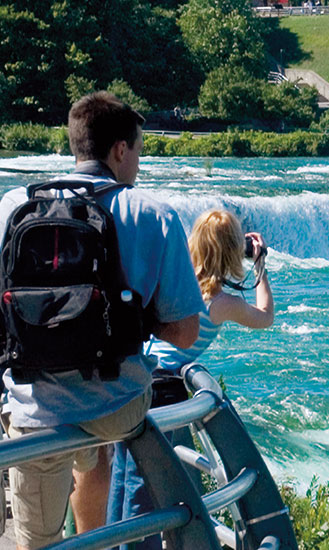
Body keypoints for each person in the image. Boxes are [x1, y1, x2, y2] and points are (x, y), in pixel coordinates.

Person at [0, 92, 203, 549]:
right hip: (117, 405)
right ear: (118, 150)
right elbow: (186, 332)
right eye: (138, 152)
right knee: (110, 435)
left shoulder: (15, 205)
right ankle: (100, 534)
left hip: (35, 408)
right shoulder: (151, 214)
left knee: (36, 540)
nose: (138, 165)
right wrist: (130, 322)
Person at [108, 209, 273, 550]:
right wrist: (260, 266)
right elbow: (265, 317)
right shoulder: (222, 301)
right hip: (163, 393)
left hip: (133, 378)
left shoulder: (175, 282)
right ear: (231, 253)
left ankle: (114, 544)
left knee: (122, 478)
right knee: (147, 487)